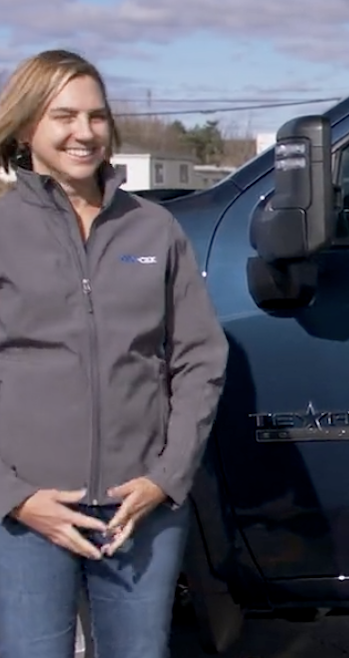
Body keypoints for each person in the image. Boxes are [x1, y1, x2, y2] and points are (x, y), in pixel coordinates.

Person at [0, 50, 229, 658]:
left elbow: (200, 358)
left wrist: (165, 477)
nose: (84, 132)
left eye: (96, 116)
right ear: (26, 128)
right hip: (25, 515)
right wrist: (14, 497)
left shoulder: (153, 229)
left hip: (138, 508)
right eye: (64, 116)